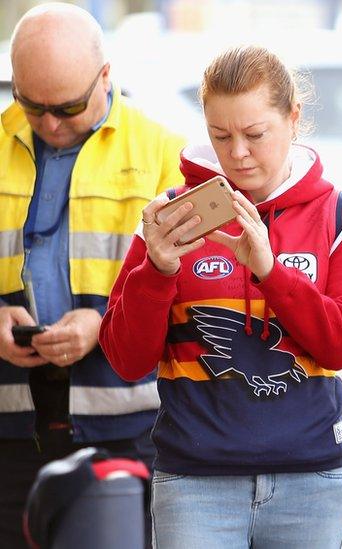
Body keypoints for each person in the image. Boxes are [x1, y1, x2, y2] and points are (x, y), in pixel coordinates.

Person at [98, 45, 342, 548]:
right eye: (220, 136)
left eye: (254, 134)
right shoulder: (173, 215)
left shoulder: (341, 215)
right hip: (195, 481)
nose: (238, 152)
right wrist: (157, 270)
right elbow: (126, 359)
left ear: (293, 118)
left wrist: (270, 271)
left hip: (311, 481)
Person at [0, 4, 184, 547]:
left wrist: (105, 324)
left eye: (67, 107)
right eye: (32, 107)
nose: (51, 123)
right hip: (12, 430)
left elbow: (198, 295)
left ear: (107, 76)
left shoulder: (164, 154)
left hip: (128, 429)